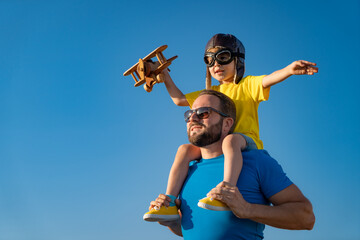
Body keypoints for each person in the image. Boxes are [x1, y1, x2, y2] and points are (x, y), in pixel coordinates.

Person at [143, 33, 318, 221]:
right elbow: (179, 99)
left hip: (245, 140)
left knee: (231, 140)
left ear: (238, 60)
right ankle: (168, 202)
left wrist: (289, 70)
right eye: (210, 61)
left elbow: (268, 79)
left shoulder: (246, 85)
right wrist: (165, 76)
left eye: (223, 58)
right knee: (184, 149)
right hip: (219, 145)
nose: (216, 65)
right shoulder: (212, 94)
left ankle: (227, 189)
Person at [149, 90, 315, 239]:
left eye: (203, 113)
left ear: (227, 123)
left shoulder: (256, 161)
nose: (193, 118)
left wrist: (247, 209)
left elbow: (306, 217)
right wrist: (172, 222)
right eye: (189, 114)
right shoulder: (186, 170)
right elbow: (191, 231)